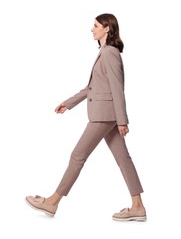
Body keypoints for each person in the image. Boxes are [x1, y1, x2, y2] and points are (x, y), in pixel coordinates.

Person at [25, 13, 147, 221]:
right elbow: (92, 88)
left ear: (107, 29)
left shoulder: (109, 53)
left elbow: (117, 88)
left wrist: (122, 120)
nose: (92, 29)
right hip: (107, 115)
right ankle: (138, 206)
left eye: (96, 25)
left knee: (77, 156)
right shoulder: (106, 52)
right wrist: (69, 103)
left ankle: (52, 202)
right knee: (123, 159)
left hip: (104, 116)